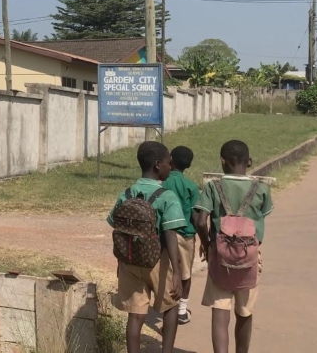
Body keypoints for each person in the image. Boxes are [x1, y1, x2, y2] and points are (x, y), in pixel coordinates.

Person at [193, 140, 274, 353]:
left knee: (220, 312)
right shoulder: (261, 189)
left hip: (220, 256)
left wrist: (207, 245)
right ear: (250, 161)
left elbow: (200, 222)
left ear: (222, 162)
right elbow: (263, 214)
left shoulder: (213, 187)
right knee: (245, 312)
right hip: (249, 257)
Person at [108, 141, 187, 353]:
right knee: (170, 306)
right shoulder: (167, 196)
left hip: (130, 261)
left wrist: (120, 262)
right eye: (169, 162)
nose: (171, 166)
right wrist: (176, 272)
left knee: (135, 315)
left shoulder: (126, 194)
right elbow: (170, 234)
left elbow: (117, 227)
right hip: (158, 262)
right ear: (158, 165)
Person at [163, 145, 200, 325]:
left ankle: (166, 306)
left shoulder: (162, 182)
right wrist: (205, 240)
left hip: (165, 234)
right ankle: (182, 310)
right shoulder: (191, 187)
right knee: (185, 274)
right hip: (185, 235)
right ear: (189, 165)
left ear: (170, 160)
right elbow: (195, 216)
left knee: (167, 272)